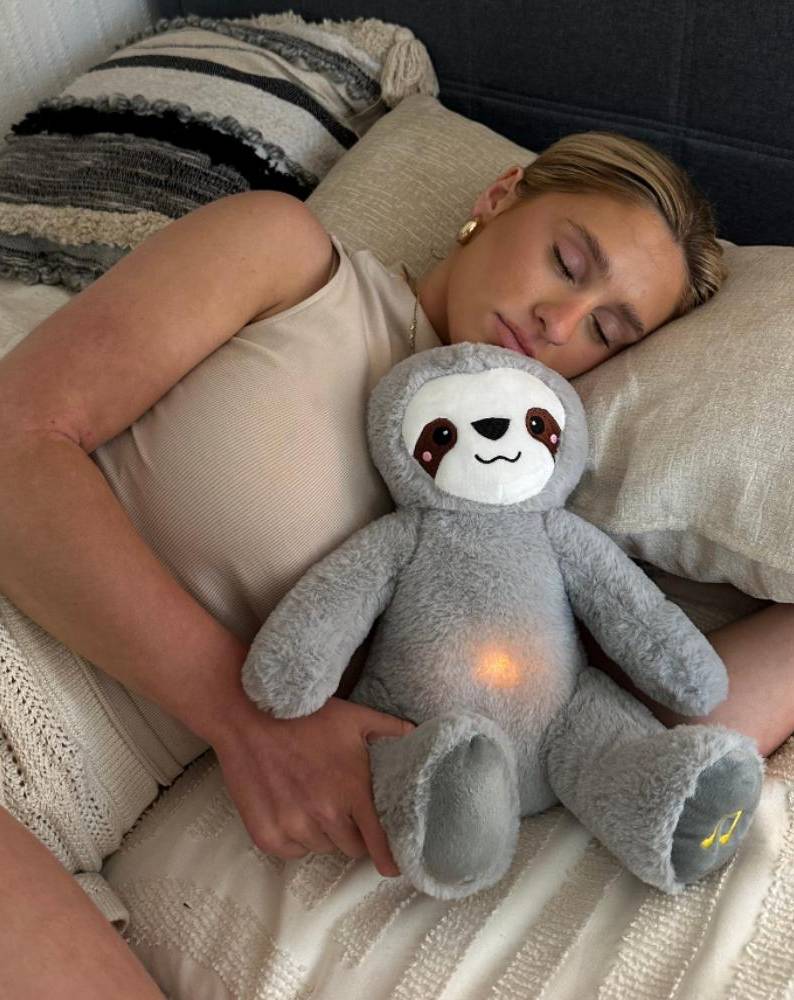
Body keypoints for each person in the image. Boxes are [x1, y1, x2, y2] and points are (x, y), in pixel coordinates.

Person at [0, 130, 789, 998]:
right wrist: (241, 717)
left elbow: (636, 712)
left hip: (67, 821)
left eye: (605, 329)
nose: (558, 322)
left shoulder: (511, 504)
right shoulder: (289, 261)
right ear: (499, 197)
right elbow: (17, 440)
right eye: (566, 263)